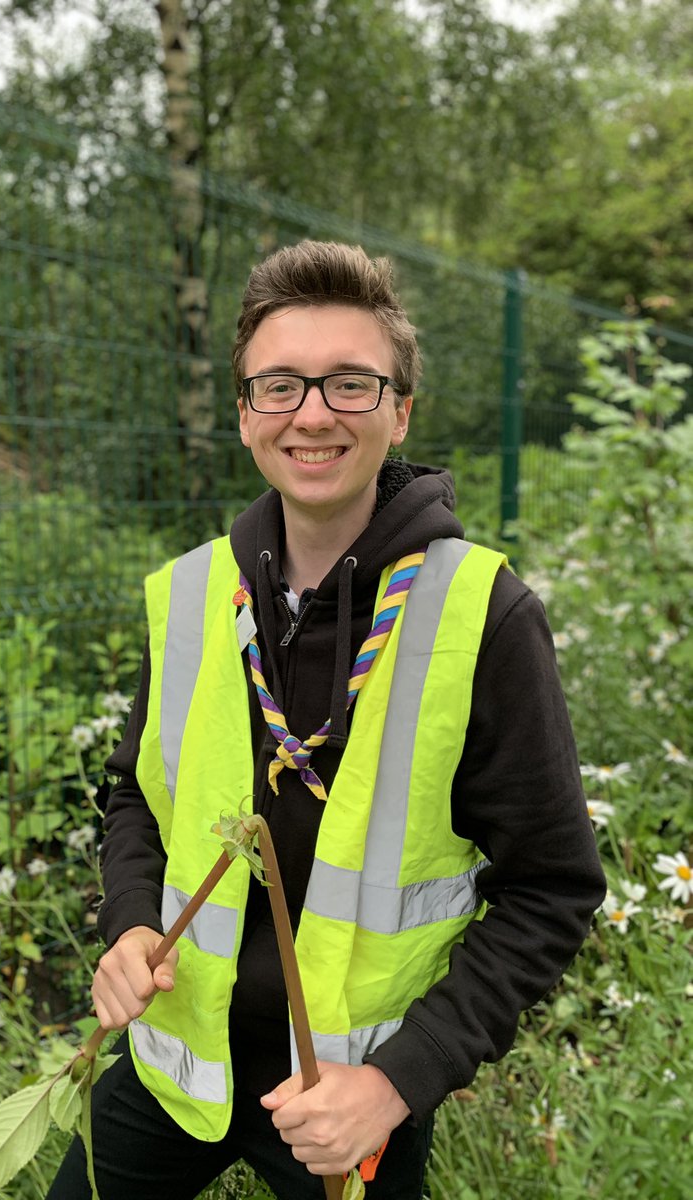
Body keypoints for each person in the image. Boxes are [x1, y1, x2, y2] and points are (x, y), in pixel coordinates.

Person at [47, 240, 606, 1199]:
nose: (312, 413)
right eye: (280, 386)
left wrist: (399, 1081)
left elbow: (551, 890)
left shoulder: (484, 615)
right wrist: (129, 925)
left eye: (351, 384)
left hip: (348, 1091)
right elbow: (135, 802)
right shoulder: (192, 597)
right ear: (244, 415)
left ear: (400, 413)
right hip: (176, 1060)